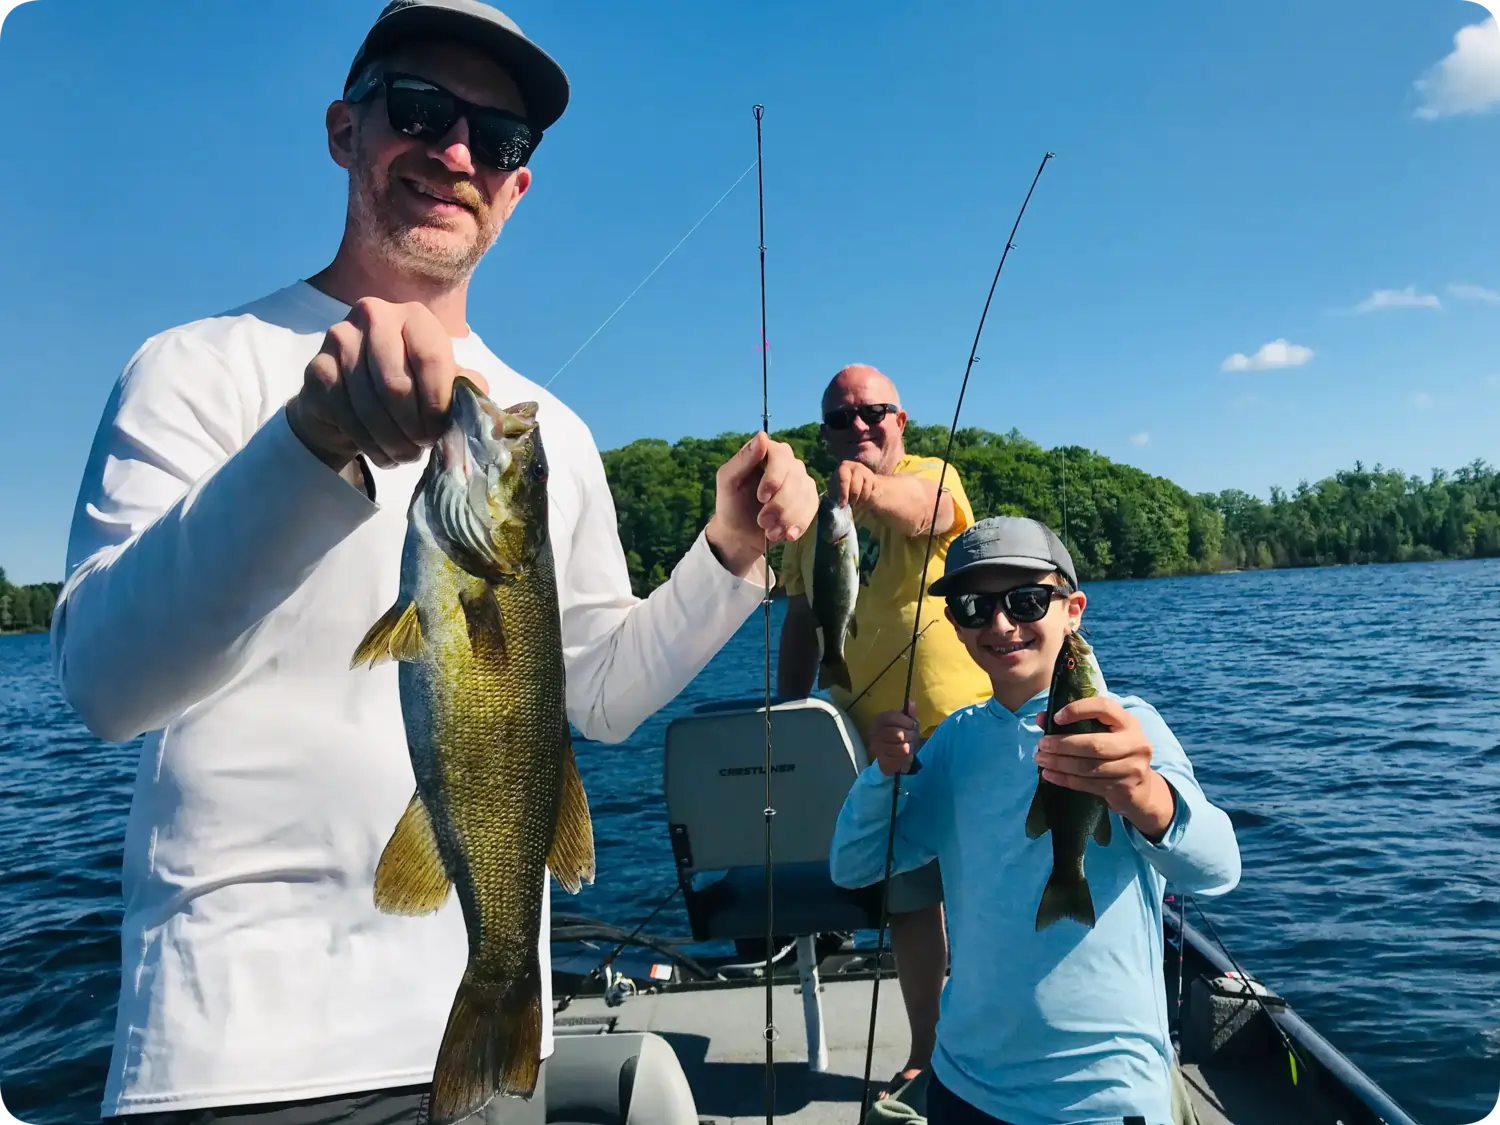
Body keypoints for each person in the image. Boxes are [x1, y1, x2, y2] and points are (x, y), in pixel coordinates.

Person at [52, 3, 818, 1122]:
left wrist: (730, 556)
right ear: (344, 129)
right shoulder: (196, 369)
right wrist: (307, 447)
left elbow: (599, 696)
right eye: (419, 110)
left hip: (494, 1041)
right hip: (235, 1058)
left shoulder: (544, 429)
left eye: (498, 141)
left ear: (516, 188)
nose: (455, 152)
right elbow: (104, 687)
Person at [829, 516, 1241, 1125]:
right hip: (964, 1081)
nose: (1001, 623)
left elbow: (1218, 868)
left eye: (1027, 601)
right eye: (975, 606)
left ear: (1073, 610)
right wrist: (883, 774)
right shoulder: (951, 746)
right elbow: (854, 865)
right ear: (956, 626)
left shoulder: (1130, 728)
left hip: (1104, 1096)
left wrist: (1142, 791)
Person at [776, 363, 993, 1098]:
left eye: (875, 412)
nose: (860, 425)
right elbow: (803, 619)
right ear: (827, 432)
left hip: (962, 734)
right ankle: (929, 1050)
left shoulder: (936, 475)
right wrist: (787, 712)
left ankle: (996, 1041)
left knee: (985, 888)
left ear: (902, 420)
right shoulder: (811, 523)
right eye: (841, 418)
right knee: (909, 901)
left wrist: (861, 491)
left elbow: (929, 512)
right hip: (877, 750)